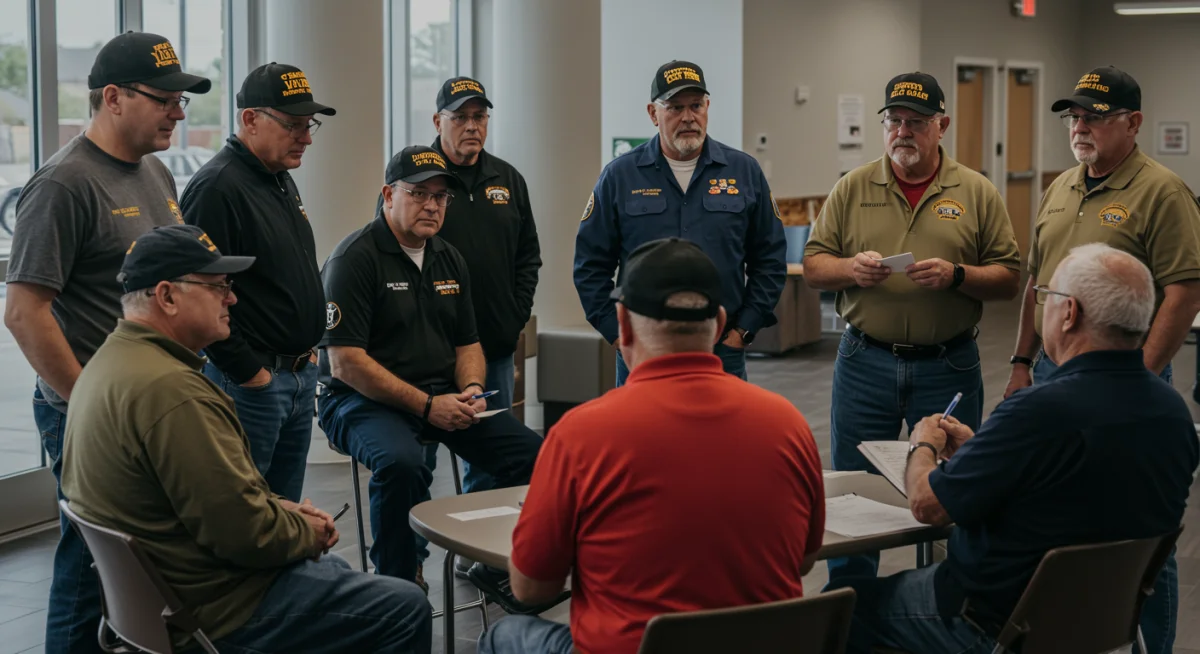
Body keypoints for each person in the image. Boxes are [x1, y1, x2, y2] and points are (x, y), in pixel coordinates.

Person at [60, 224, 432, 653]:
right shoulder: (173, 394)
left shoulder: (109, 363)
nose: (232, 298)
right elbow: (242, 535)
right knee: (402, 606)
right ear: (166, 296)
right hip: (217, 608)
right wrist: (302, 531)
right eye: (217, 286)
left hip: (157, 603)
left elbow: (213, 501)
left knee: (337, 573)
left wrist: (279, 511)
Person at [829, 243, 1198, 654]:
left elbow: (927, 505)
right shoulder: (1172, 413)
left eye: (1046, 298)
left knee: (841, 605)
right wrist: (984, 450)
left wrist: (923, 447)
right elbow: (1078, 488)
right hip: (1097, 622)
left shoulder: (1040, 411)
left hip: (992, 623)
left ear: (1070, 312)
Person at [479, 238, 825, 654]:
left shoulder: (581, 434)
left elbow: (531, 587)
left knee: (504, 635)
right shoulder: (787, 423)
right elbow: (805, 559)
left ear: (622, 323)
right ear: (717, 323)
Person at [2, 31, 210, 654]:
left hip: (146, 407)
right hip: (89, 412)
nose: (178, 110)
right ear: (113, 97)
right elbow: (23, 311)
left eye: (182, 100)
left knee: (136, 561)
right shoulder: (64, 185)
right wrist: (89, 400)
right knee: (90, 560)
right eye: (165, 98)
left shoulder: (155, 172)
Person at [1004, 66, 1200, 654]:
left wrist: (1135, 378)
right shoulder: (1060, 187)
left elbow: (1186, 290)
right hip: (1055, 380)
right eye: (1074, 116)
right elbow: (1038, 283)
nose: (1080, 127)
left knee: (1141, 533)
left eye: (1094, 116)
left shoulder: (1162, 191)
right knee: (1063, 518)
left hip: (1125, 381)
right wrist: (1020, 362)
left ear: (1133, 123)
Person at [802, 71, 1021, 586]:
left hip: (948, 364)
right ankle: (850, 603)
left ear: (941, 125)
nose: (903, 131)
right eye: (894, 120)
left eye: (917, 123)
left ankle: (948, 601)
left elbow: (1010, 277)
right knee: (853, 492)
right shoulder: (853, 187)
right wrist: (851, 269)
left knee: (953, 486)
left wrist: (958, 275)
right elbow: (814, 266)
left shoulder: (975, 190)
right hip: (864, 362)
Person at [317, 145, 543, 600]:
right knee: (402, 462)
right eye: (419, 194)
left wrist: (474, 389)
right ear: (388, 195)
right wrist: (426, 406)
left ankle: (496, 562)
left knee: (535, 455)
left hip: (441, 394)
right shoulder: (355, 259)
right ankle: (397, 584)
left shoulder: (447, 257)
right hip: (359, 401)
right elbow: (346, 363)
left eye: (441, 197)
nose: (432, 206)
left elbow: (468, 344)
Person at [573, 60, 786, 384]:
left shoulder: (744, 171)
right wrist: (617, 334)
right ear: (652, 113)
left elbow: (770, 258)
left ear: (707, 107)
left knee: (721, 434)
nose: (688, 117)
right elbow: (590, 264)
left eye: (696, 105)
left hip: (721, 349)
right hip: (643, 350)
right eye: (674, 107)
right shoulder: (620, 175)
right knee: (641, 435)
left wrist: (744, 330)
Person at [181, 62, 336, 502]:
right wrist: (251, 373)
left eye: (310, 125)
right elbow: (200, 293)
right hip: (252, 384)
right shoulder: (217, 188)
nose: (306, 137)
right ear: (250, 119)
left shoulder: (279, 178)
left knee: (283, 513)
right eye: (293, 125)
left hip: (297, 375)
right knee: (240, 515)